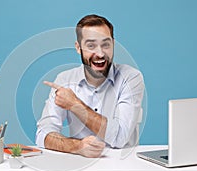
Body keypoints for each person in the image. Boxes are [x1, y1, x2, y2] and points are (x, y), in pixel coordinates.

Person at [36, 14, 145, 158]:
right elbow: (43, 135)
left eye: (106, 44)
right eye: (91, 45)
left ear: (113, 44)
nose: (100, 53)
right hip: (80, 167)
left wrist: (75, 105)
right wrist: (77, 146)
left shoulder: (130, 78)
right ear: (78, 47)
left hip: (122, 166)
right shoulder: (64, 80)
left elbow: (120, 137)